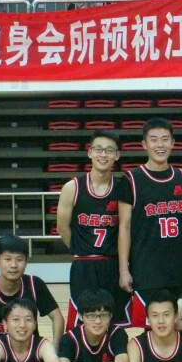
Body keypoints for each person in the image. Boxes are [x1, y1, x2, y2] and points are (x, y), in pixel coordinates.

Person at [117, 118, 182, 327]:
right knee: (153, 327)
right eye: (154, 140)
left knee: (181, 325)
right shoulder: (131, 179)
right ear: (144, 144)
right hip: (147, 268)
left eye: (165, 139)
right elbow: (124, 227)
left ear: (172, 143)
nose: (159, 145)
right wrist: (123, 270)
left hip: (179, 266)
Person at [56, 130, 128, 330]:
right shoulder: (72, 187)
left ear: (117, 155)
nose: (103, 154)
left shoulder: (123, 187)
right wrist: (81, 248)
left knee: (112, 321)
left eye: (109, 150)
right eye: (98, 149)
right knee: (83, 320)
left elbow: (127, 226)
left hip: (112, 263)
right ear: (89, 152)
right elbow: (62, 227)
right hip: (84, 265)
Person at [0, 234, 64, 350]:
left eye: (19, 260)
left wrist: (56, 348)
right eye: (8, 259)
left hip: (30, 353)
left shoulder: (34, 284)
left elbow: (57, 318)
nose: (14, 265)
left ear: (26, 262)